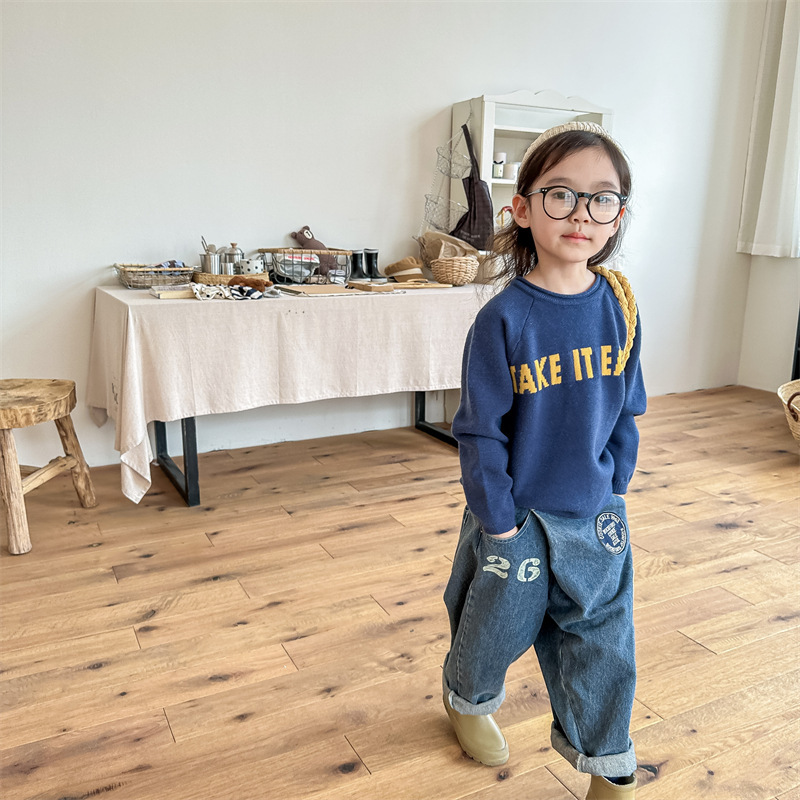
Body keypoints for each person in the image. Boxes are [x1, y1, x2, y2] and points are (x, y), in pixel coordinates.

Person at [442, 121, 646, 800]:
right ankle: (467, 698)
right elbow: (479, 431)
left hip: (595, 515)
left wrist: (615, 485)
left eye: (602, 198)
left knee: (604, 643)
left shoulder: (621, 308)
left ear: (618, 216)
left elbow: (627, 408)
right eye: (561, 194)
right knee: (494, 627)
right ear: (523, 209)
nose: (582, 213)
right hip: (518, 517)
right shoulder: (502, 320)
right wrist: (499, 524)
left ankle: (610, 765)